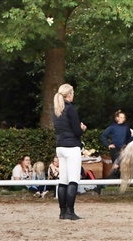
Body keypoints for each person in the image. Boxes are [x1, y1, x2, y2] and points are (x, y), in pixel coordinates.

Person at [53, 83, 87, 220]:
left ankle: (62, 211)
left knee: (63, 181)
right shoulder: (70, 109)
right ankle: (71, 211)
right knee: (73, 180)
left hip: (60, 146)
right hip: (71, 146)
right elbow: (77, 131)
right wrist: (82, 128)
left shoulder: (56, 109)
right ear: (69, 95)